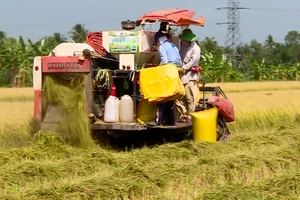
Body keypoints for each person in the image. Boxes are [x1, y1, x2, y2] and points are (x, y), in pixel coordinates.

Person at [153, 31, 182, 126]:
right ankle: (171, 121)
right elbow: (179, 61)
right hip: (175, 72)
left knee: (162, 97)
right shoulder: (173, 45)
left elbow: (164, 60)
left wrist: (158, 67)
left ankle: (159, 121)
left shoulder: (162, 47)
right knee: (171, 97)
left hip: (168, 72)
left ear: (158, 41)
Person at [175, 28, 201, 123]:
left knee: (190, 98)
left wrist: (184, 68)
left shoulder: (196, 49)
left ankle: (190, 116)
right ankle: (183, 114)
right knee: (180, 97)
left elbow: (193, 61)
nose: (184, 42)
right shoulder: (181, 46)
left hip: (190, 75)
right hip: (181, 75)